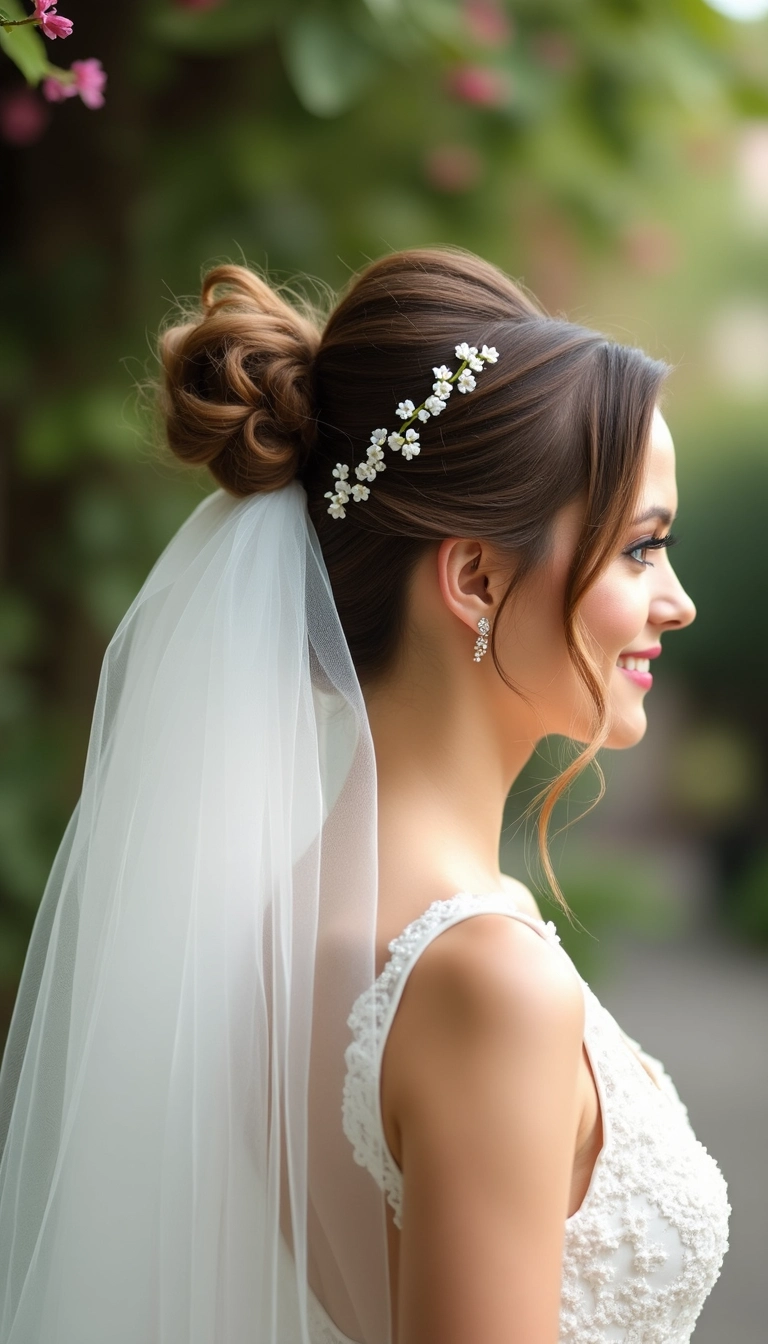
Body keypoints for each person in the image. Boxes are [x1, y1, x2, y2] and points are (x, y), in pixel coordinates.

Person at [0, 247, 729, 1344]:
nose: (676, 602)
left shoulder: (276, 936)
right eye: (641, 550)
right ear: (475, 577)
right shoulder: (485, 983)